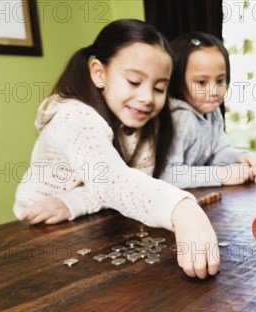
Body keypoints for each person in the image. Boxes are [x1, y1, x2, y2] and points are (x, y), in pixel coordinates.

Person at [13, 19, 219, 279]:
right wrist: (181, 207)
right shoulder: (73, 117)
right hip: (41, 234)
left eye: (159, 88)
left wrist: (76, 201)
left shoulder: (143, 123)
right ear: (99, 73)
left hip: (97, 225)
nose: (146, 97)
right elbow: (110, 180)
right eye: (134, 82)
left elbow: (128, 180)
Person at [159, 32, 256, 188]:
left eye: (220, 80)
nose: (213, 91)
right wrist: (220, 175)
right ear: (179, 82)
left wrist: (240, 157)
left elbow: (217, 152)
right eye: (202, 82)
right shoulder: (180, 119)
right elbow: (167, 175)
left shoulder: (213, 112)